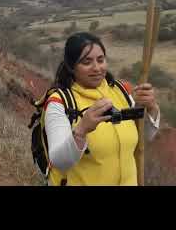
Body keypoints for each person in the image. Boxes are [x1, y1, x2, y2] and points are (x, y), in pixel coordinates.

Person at [43, 32, 160, 186]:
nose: (97, 68)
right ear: (71, 67)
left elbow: (144, 137)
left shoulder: (120, 91)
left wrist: (152, 108)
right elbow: (59, 162)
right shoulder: (60, 103)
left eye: (101, 60)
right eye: (87, 62)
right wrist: (82, 130)